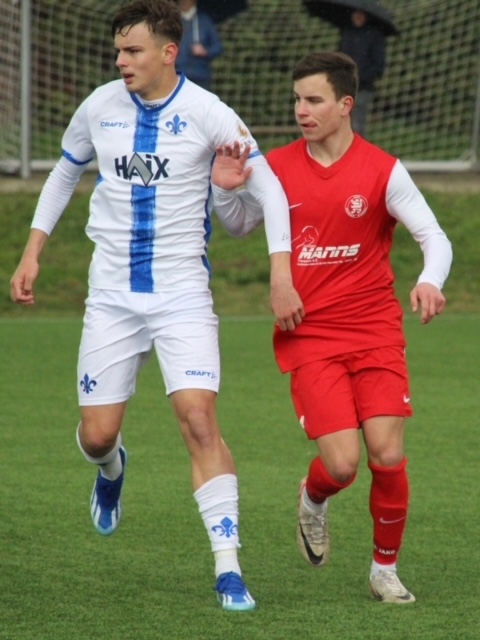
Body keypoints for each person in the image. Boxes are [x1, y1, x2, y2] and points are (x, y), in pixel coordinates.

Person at [9, 0, 303, 612]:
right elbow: (63, 174)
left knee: (199, 419)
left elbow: (270, 190)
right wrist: (32, 252)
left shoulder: (209, 112)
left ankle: (228, 567)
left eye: (133, 50)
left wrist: (281, 275)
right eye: (118, 50)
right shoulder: (98, 107)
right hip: (110, 297)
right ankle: (111, 469)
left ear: (169, 52)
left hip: (182, 295)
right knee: (96, 436)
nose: (121, 61)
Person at [210, 51, 453, 604]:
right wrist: (226, 190)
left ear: (346, 105)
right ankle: (314, 497)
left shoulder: (382, 170)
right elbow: (241, 225)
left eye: (314, 100)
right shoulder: (276, 166)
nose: (302, 110)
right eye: (297, 99)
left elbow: (434, 237)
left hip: (375, 331)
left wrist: (430, 280)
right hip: (311, 336)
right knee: (342, 465)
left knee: (386, 454)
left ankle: (384, 570)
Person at [339, 10, 386, 137]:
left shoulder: (374, 35)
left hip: (363, 87)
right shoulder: (347, 32)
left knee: (357, 124)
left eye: (361, 15)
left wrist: (362, 77)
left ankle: (357, 149)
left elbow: (379, 65)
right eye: (355, 14)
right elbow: (340, 57)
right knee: (342, 122)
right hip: (344, 86)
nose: (357, 18)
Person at [175, 0, 223, 91]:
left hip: (200, 76)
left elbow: (218, 47)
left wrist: (205, 51)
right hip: (177, 76)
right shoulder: (173, 21)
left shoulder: (204, 21)